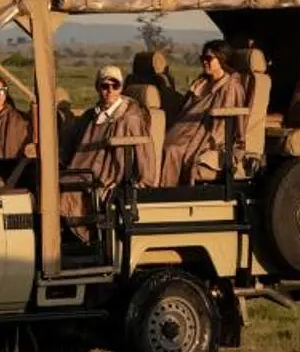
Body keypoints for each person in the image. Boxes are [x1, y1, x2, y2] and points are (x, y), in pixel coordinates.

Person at [59, 64, 149, 234]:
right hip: (82, 169)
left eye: (115, 86)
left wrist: (141, 181)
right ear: (97, 87)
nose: (110, 91)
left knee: (70, 193)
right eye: (105, 86)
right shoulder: (91, 115)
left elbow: (144, 154)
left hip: (107, 173)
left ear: (121, 88)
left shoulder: (130, 117)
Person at [160, 40, 252, 186]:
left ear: (222, 59)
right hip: (185, 129)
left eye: (208, 58)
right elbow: (186, 108)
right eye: (202, 58)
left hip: (207, 134)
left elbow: (225, 124)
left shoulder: (231, 86)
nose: (204, 62)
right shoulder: (201, 82)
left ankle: (168, 192)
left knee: (172, 150)